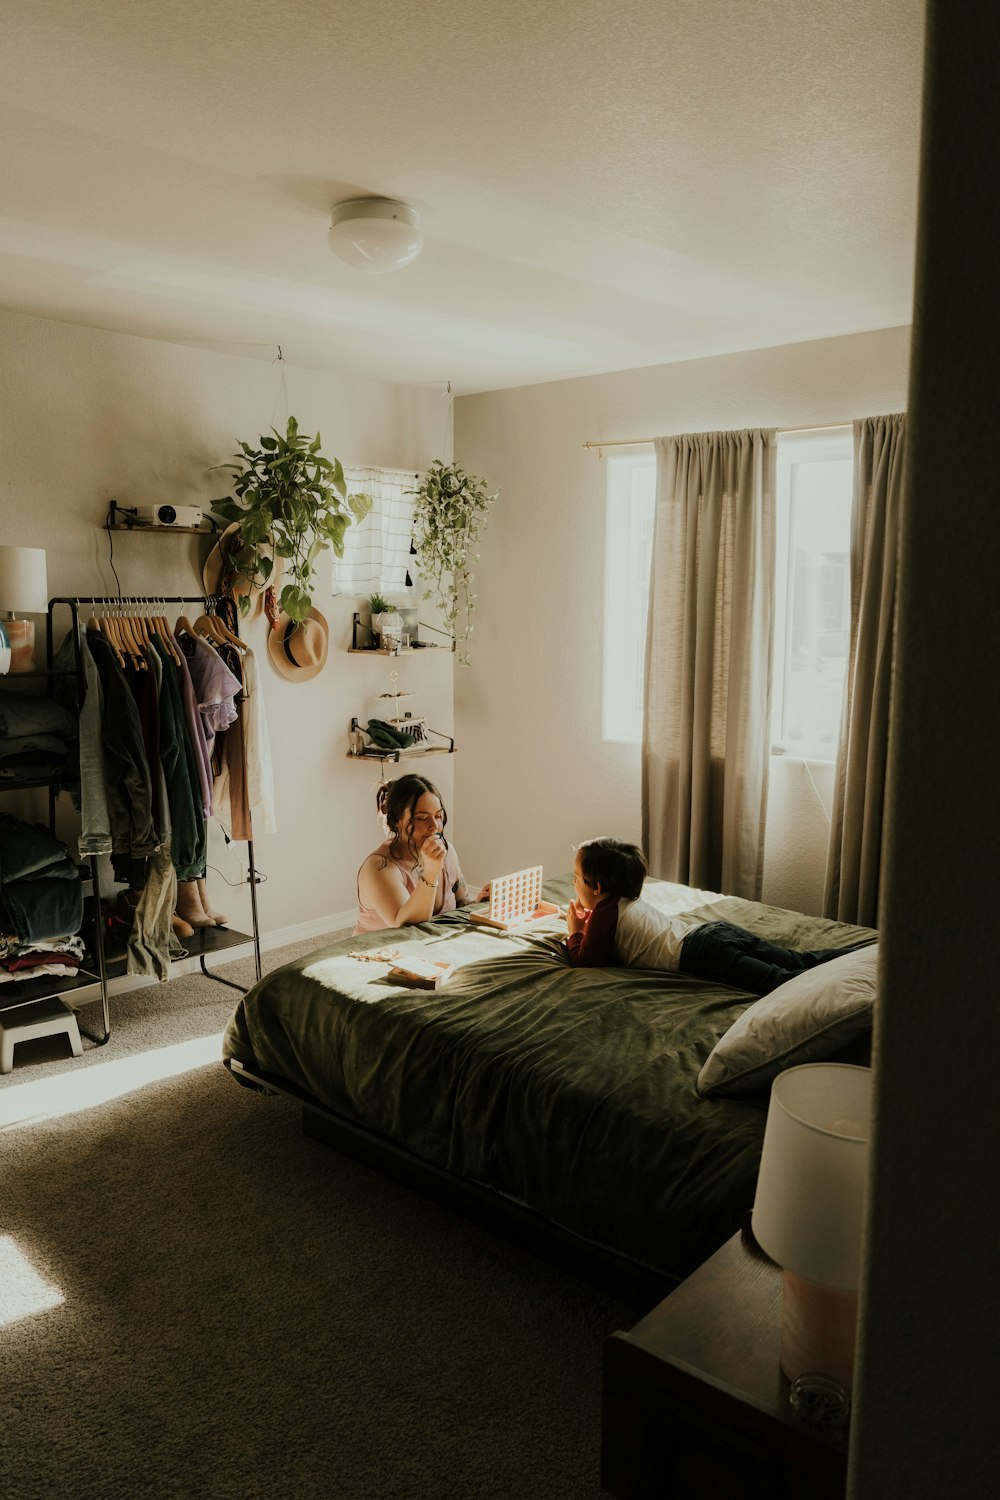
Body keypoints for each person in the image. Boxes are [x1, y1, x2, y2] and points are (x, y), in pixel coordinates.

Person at [565, 837, 870, 994]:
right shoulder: (621, 902)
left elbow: (588, 960)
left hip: (702, 955)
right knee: (798, 960)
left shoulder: (605, 911)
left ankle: (851, 984)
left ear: (599, 887)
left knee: (780, 983)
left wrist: (575, 931)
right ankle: (865, 956)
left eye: (576, 878)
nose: (573, 883)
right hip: (715, 933)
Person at [355, 774, 482, 934]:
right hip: (380, 953)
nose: (434, 826)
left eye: (438, 816)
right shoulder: (379, 869)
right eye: (422, 818)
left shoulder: (447, 852)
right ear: (397, 821)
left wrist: (480, 903)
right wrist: (431, 873)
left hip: (432, 945)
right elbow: (406, 928)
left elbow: (461, 902)